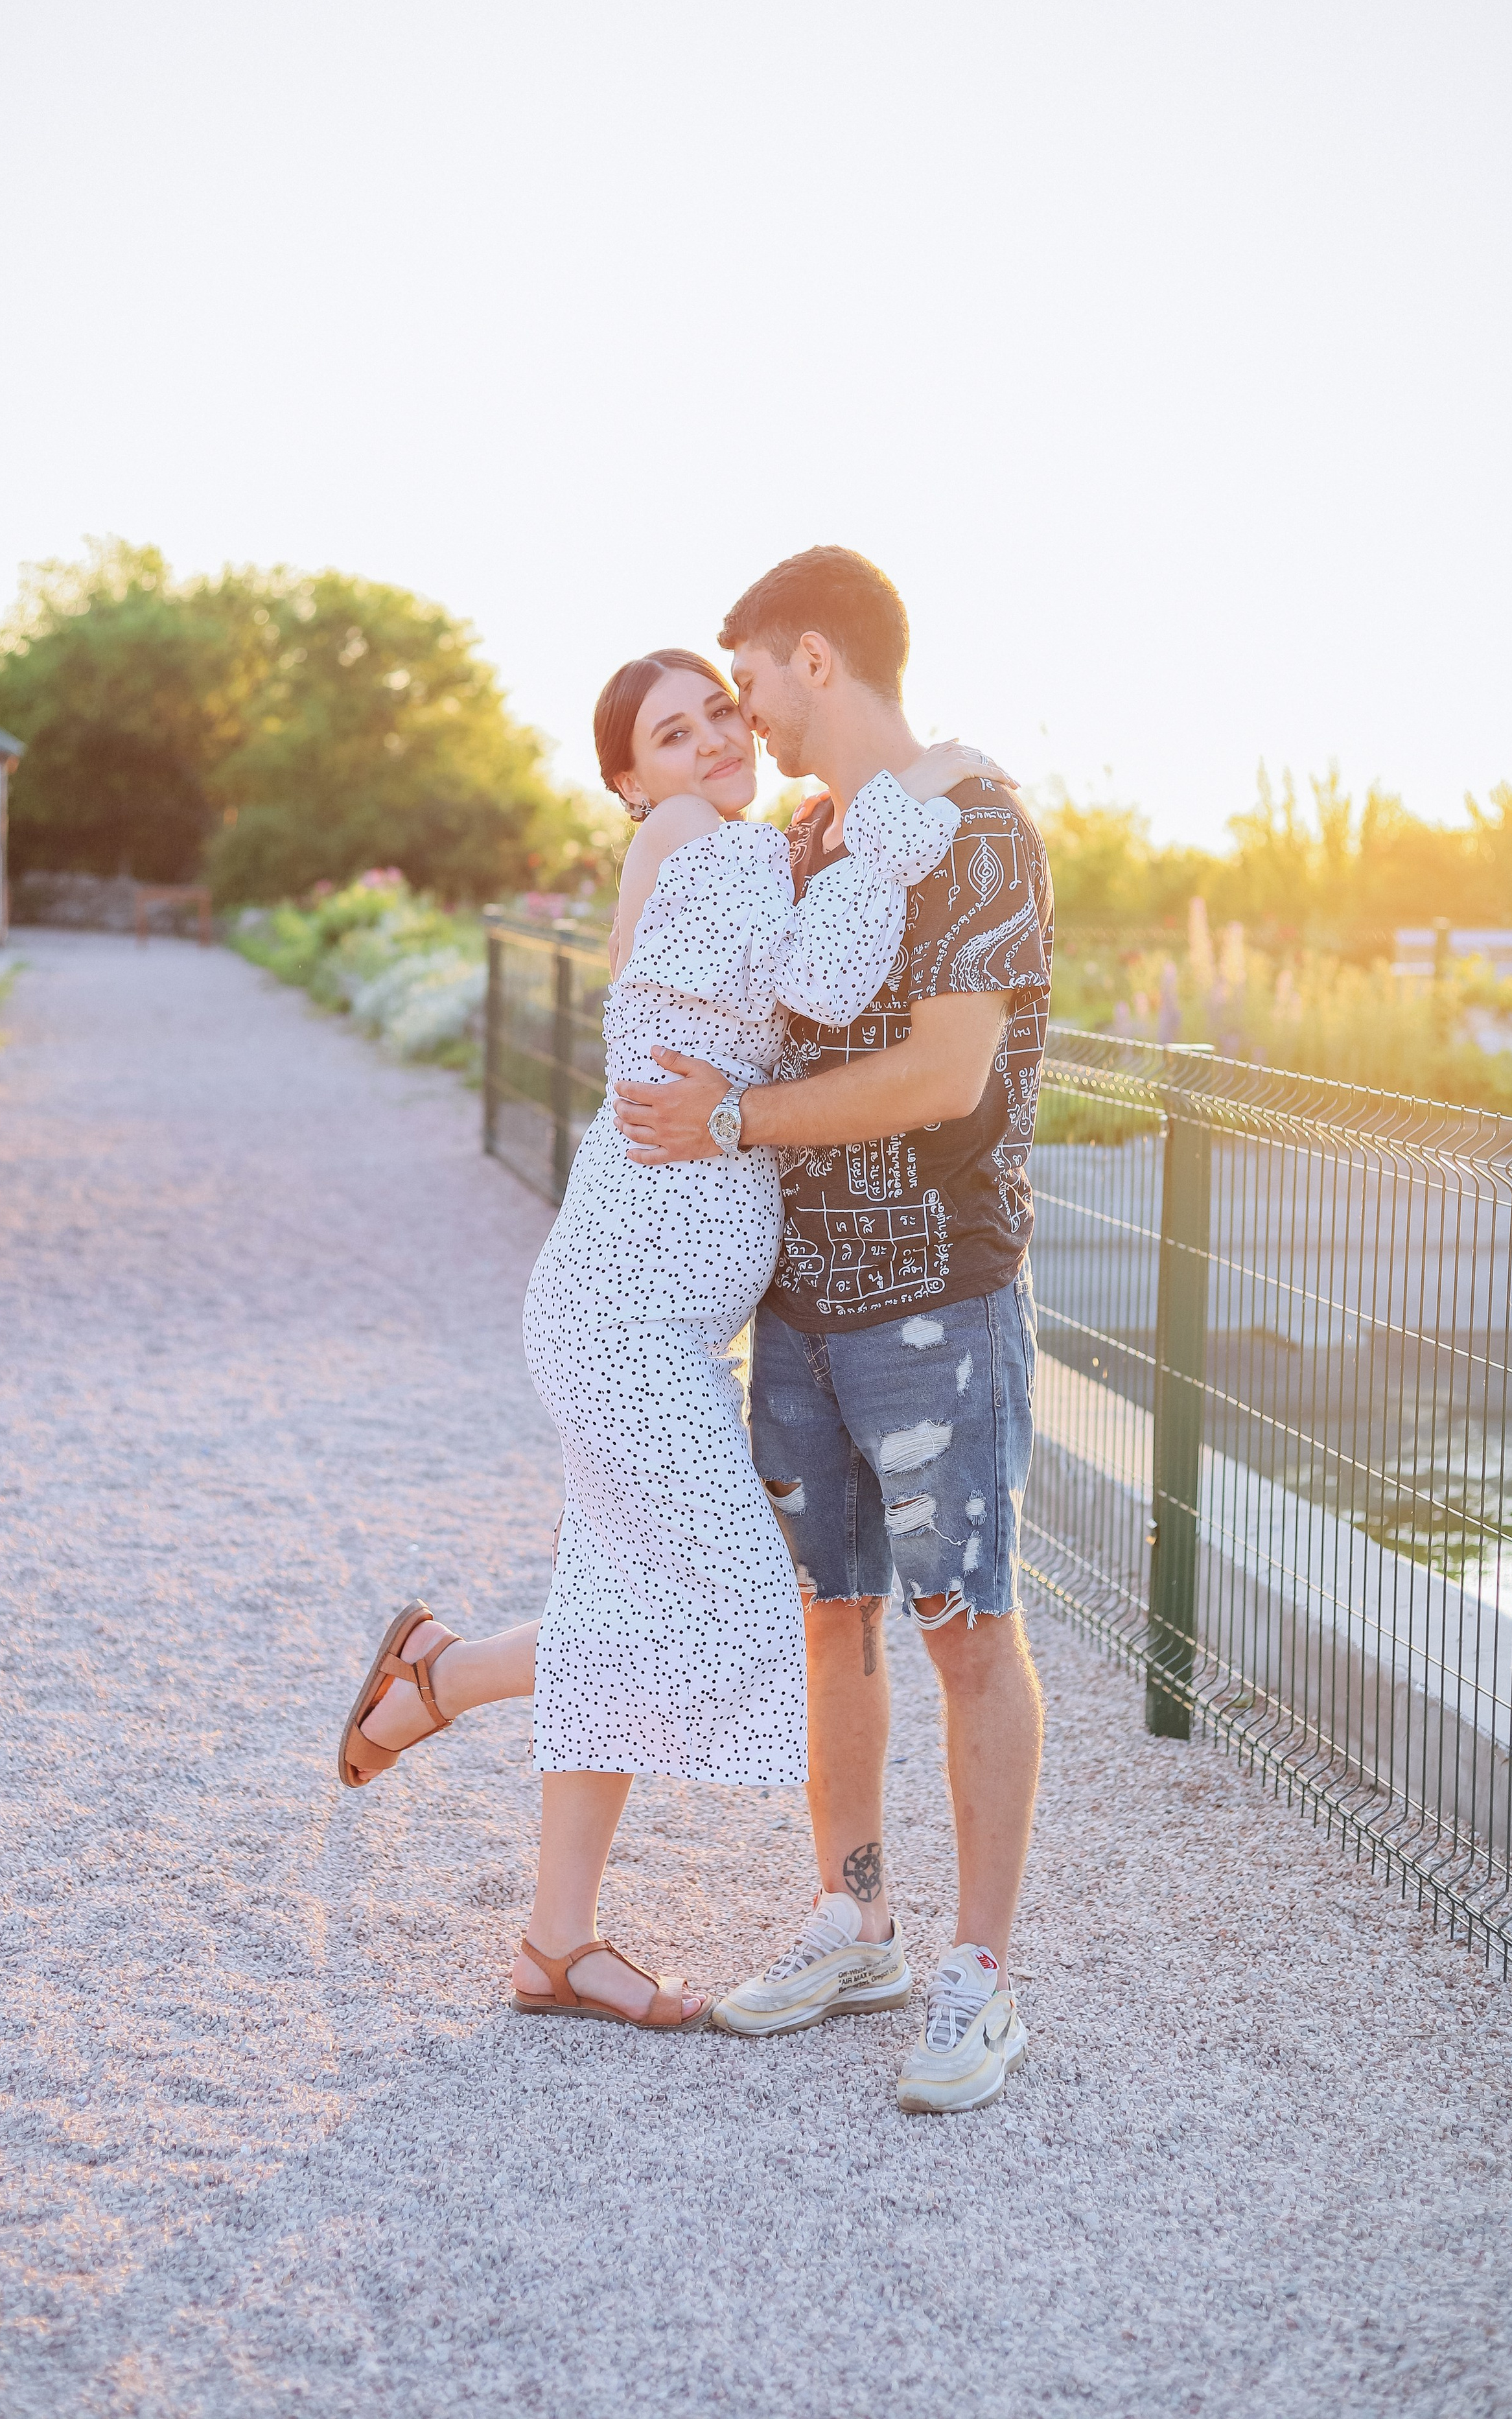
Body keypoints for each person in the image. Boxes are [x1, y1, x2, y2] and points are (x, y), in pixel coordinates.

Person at [335, 645, 994, 2031]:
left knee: (632, 1590)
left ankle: (554, 1944)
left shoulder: (703, 858)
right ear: (630, 784)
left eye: (715, 713)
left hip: (638, 1322)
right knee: (729, 1605)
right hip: (628, 1324)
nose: (708, 742)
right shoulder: (710, 845)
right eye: (669, 734)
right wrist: (901, 824)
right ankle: (441, 1675)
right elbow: (822, 987)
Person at [612, 548, 1053, 2112]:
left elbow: (944, 1075)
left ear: (815, 657)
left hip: (933, 1299)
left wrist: (728, 1119)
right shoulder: (808, 836)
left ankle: (977, 1977)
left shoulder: (977, 823)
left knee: (964, 1627)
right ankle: (852, 1916)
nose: (745, 721)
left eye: (750, 687)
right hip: (794, 1305)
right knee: (831, 1616)